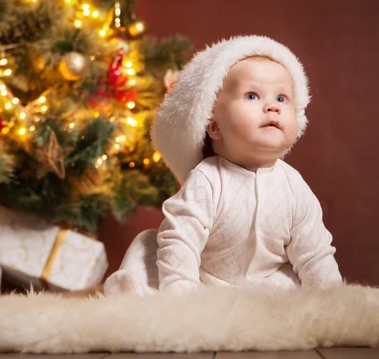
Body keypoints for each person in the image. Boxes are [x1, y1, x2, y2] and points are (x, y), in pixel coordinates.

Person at [104, 35, 342, 296]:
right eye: (252, 95)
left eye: (282, 98)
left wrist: (332, 301)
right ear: (214, 125)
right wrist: (181, 294)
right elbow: (182, 239)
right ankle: (135, 292)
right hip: (203, 281)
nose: (272, 107)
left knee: (294, 282)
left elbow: (314, 254)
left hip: (264, 285)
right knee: (148, 247)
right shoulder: (207, 179)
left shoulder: (293, 186)